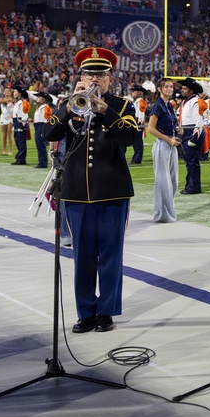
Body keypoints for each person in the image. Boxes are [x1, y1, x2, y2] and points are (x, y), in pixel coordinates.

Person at [44, 47, 138, 333]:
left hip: (112, 191)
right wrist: (69, 106)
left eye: (101, 73)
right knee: (83, 255)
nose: (95, 78)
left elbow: (130, 137)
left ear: (110, 78)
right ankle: (86, 312)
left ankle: (106, 311)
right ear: (81, 76)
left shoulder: (122, 105)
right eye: (89, 73)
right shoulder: (69, 103)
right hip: (75, 193)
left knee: (110, 254)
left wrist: (104, 110)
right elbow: (49, 134)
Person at [146, 79, 181, 223]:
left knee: (173, 181)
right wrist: (168, 139)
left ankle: (167, 212)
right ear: (160, 89)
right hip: (163, 145)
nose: (169, 89)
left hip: (171, 144)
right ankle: (162, 214)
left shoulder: (169, 105)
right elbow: (150, 129)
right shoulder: (158, 106)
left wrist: (177, 129)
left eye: (171, 87)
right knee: (163, 181)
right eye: (166, 87)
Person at [178, 77, 206, 195]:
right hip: (187, 131)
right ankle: (190, 185)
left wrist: (194, 137)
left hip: (193, 132)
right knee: (189, 161)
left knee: (192, 161)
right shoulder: (187, 101)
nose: (182, 90)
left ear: (191, 90)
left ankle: (193, 187)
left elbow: (199, 120)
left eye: (185, 88)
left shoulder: (196, 101)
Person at [31, 92, 53, 169]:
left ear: (43, 99)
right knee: (39, 144)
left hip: (41, 126)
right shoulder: (40, 107)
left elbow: (46, 118)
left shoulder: (45, 107)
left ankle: (43, 162)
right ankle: (41, 161)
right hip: (38, 125)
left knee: (41, 144)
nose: (37, 98)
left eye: (38, 97)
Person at [10, 86, 30, 166]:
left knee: (21, 142)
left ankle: (21, 159)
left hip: (20, 123)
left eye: (15, 92)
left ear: (20, 93)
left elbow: (24, 113)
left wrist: (23, 124)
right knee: (18, 141)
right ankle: (20, 157)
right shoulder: (17, 102)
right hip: (16, 122)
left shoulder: (22, 102)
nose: (14, 93)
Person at [129, 85, 148, 165]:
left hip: (138, 123)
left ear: (139, 92)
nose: (132, 92)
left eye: (134, 91)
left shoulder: (140, 101)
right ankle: (135, 158)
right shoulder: (136, 101)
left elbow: (141, 113)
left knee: (138, 142)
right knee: (135, 142)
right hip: (135, 123)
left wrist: (139, 122)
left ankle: (137, 159)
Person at [0, 87, 13, 156]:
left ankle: (10, 150)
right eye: (5, 91)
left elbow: (11, 101)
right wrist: (6, 100)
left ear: (10, 92)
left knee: (9, 134)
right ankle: (3, 150)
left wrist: (8, 100)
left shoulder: (12, 99)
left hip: (10, 117)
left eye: (8, 91)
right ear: (3, 93)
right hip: (3, 117)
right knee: (4, 135)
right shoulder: (1, 99)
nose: (7, 92)